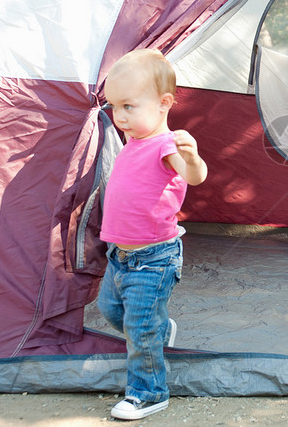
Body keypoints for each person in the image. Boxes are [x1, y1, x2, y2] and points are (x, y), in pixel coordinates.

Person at [97, 49, 209, 420]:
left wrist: (191, 158)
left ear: (163, 104)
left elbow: (193, 176)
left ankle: (148, 392)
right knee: (110, 310)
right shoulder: (133, 142)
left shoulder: (165, 145)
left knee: (137, 327)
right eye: (115, 106)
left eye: (129, 106)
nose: (120, 116)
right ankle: (159, 330)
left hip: (153, 259)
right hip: (120, 256)